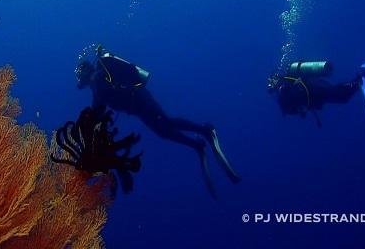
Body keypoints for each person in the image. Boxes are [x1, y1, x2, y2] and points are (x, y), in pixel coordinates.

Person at [74, 45, 241, 198]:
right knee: (164, 132)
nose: (79, 80)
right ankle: (197, 145)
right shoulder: (97, 83)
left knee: (167, 122)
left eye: (79, 75)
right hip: (138, 106)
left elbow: (96, 108)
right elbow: (97, 109)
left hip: (140, 100)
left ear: (85, 73)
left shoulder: (97, 80)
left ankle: (206, 130)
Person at [268, 61, 365, 129]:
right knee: (338, 93)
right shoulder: (287, 81)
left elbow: (294, 107)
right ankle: (357, 80)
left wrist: (298, 109)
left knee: (341, 97)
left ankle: (359, 78)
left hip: (314, 91)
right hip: (315, 85)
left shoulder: (282, 95)